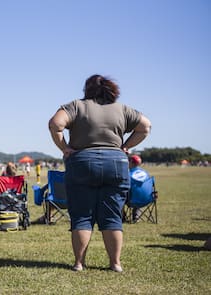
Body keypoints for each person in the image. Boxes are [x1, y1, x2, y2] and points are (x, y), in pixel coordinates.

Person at [48, 74, 151, 272]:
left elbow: (55, 124)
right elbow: (145, 126)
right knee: (112, 216)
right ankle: (115, 264)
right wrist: (126, 147)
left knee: (81, 216)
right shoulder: (123, 109)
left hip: (82, 162)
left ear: (87, 89)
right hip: (116, 162)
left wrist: (65, 148)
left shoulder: (77, 106)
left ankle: (79, 263)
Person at [128, 154, 151, 222]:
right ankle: (136, 217)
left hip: (132, 201)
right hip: (147, 199)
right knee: (137, 193)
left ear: (131, 162)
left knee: (120, 195)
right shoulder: (145, 173)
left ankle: (121, 217)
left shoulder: (128, 174)